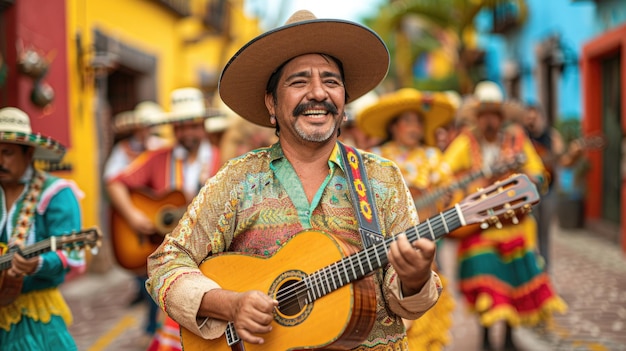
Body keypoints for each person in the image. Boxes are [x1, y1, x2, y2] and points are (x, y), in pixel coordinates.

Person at [146, 9, 442, 351]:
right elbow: (165, 263)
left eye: (331, 81)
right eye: (299, 81)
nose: (318, 93)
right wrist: (229, 304)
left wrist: (415, 278)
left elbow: (410, 302)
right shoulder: (238, 180)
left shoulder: (381, 179)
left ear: (344, 101)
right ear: (272, 103)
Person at [442, 81, 567, 351]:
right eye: (484, 114)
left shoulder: (517, 140)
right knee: (486, 281)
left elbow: (538, 174)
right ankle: (486, 337)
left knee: (513, 281)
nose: (489, 120)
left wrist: (528, 180)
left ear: (500, 117)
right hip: (480, 229)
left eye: (494, 114)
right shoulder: (465, 142)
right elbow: (443, 174)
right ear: (477, 117)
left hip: (515, 226)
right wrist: (467, 186)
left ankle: (509, 337)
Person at [106, 87, 222, 350]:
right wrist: (134, 216)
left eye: (191, 126)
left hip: (211, 260)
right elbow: (115, 182)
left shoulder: (221, 160)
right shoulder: (158, 158)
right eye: (179, 127)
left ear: (203, 125)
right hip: (171, 262)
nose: (185, 133)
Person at [356, 87, 455, 351]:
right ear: (394, 126)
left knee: (424, 282)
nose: (414, 128)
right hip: (381, 243)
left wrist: (438, 201)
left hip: (425, 238)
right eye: (408, 121)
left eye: (418, 122)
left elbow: (447, 192)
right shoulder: (375, 156)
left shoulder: (432, 157)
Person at [0, 107, 85, 350]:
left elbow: (71, 252)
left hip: (34, 315)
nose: (0, 161)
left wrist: (37, 264)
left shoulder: (56, 192)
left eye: (7, 153)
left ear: (28, 154)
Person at [102, 101, 168, 339]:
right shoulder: (123, 150)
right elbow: (112, 178)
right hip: (135, 219)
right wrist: (131, 213)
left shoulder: (162, 148)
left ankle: (154, 324)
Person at [521, 103, 582, 270]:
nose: (531, 122)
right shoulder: (522, 139)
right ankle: (531, 271)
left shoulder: (552, 137)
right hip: (526, 194)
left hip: (548, 192)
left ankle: (545, 272)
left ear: (541, 117)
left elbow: (564, 161)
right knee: (528, 233)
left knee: (544, 234)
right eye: (529, 118)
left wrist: (574, 154)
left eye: (534, 118)